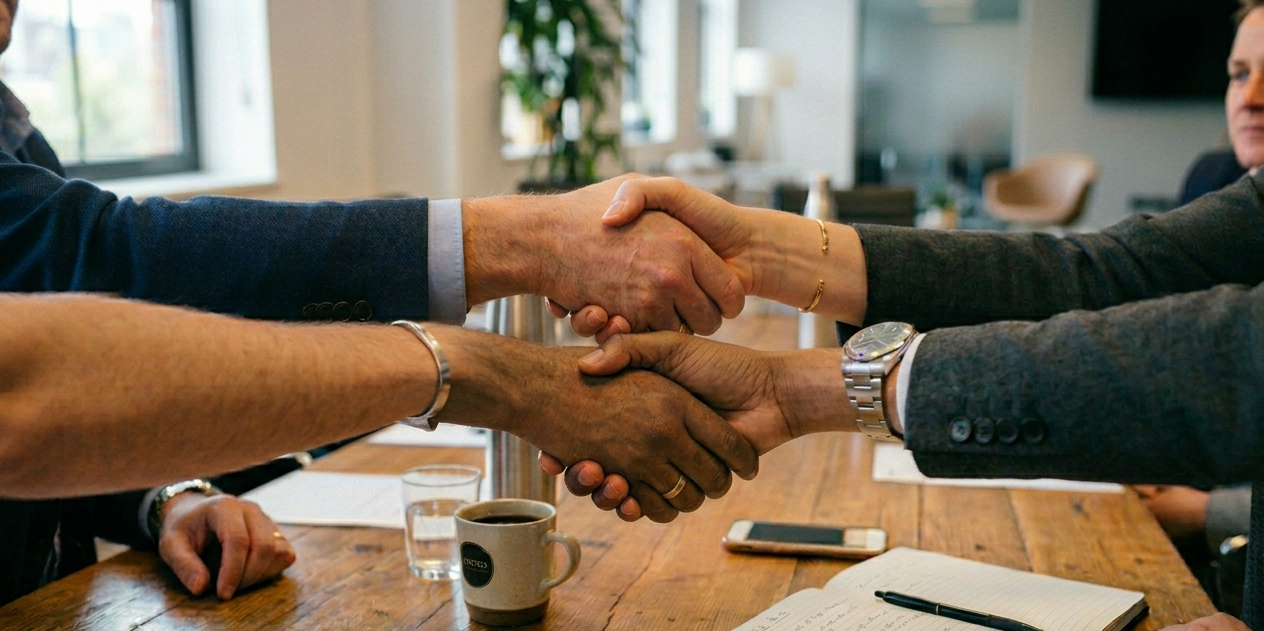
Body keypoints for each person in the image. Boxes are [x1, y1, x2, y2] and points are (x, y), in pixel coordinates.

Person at [0, 0, 751, 605]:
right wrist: (530, 246)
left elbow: (77, 392)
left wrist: (169, 499)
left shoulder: (22, 139)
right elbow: (94, 267)